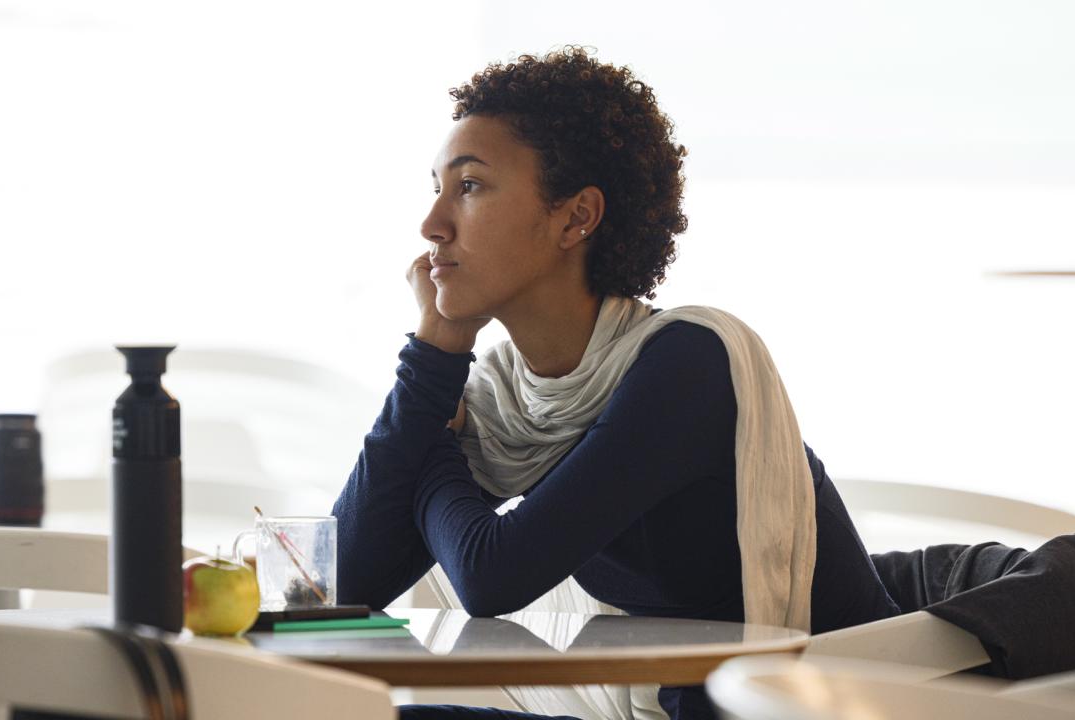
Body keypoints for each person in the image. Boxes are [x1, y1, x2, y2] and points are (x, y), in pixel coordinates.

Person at [331, 46, 900, 720]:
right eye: (436, 188)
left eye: (471, 186)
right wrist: (436, 352)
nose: (432, 225)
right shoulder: (512, 402)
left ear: (576, 217)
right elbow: (340, 585)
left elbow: (491, 575)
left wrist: (433, 419)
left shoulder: (690, 363)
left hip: (818, 708)